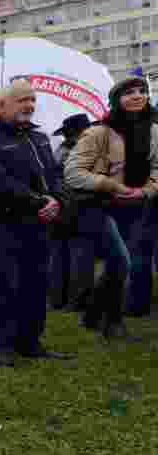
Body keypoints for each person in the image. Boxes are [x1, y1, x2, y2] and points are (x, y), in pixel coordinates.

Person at [0, 79, 72, 367]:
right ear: (2, 105)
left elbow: (54, 176)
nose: (29, 105)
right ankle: (1, 346)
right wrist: (40, 202)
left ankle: (30, 341)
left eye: (32, 100)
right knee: (6, 285)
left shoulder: (39, 138)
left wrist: (58, 201)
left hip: (39, 226)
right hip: (5, 226)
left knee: (36, 285)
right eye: (22, 100)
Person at [66, 76, 158, 339]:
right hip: (98, 206)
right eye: (129, 92)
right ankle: (113, 323)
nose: (138, 96)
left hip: (135, 207)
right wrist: (111, 185)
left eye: (142, 91)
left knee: (117, 265)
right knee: (121, 261)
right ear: (117, 100)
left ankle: (93, 314)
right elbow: (72, 172)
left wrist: (146, 190)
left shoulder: (153, 131)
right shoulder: (98, 133)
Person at [49, 114, 93, 310]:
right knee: (80, 256)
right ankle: (77, 302)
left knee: (59, 256)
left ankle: (57, 299)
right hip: (78, 208)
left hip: (60, 207)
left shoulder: (60, 150)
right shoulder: (81, 151)